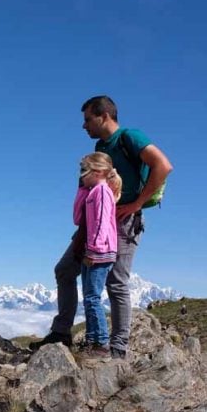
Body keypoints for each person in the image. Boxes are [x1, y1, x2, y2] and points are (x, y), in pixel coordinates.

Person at [33, 96, 174, 358]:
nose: (84, 126)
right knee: (65, 270)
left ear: (104, 116)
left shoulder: (130, 137)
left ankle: (118, 347)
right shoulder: (101, 146)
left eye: (88, 119)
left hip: (123, 221)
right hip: (94, 221)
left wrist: (136, 204)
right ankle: (62, 333)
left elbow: (163, 166)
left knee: (116, 281)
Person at [75, 152, 121, 359]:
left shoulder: (102, 192)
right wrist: (82, 189)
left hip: (99, 251)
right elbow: (77, 218)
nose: (82, 175)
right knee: (88, 297)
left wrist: (94, 247)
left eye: (85, 171)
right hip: (93, 249)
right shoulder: (93, 191)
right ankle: (92, 339)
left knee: (93, 297)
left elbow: (102, 222)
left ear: (99, 172)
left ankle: (101, 343)